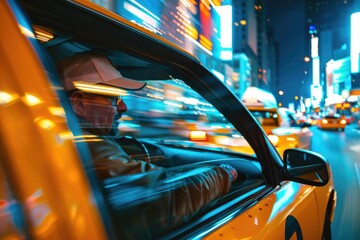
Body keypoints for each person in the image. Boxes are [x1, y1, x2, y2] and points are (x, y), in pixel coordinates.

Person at [57, 52, 238, 235]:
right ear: (79, 104)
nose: (123, 107)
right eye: (113, 98)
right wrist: (223, 175)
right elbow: (165, 198)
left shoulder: (70, 139)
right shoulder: (89, 147)